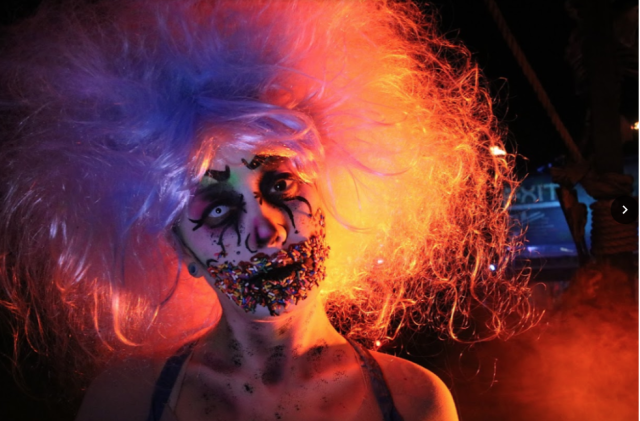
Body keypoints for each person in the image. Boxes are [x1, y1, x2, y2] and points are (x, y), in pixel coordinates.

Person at [0, 0, 532, 420]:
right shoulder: (125, 402)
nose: (266, 229)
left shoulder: (415, 401)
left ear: (329, 195)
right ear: (181, 250)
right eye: (216, 211)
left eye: (280, 184)